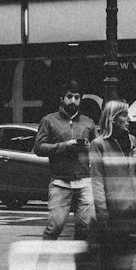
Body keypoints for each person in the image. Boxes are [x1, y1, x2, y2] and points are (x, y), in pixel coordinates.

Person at [33, 81, 97, 240]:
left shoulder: (88, 122)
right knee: (55, 226)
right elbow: (39, 148)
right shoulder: (49, 121)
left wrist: (90, 147)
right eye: (69, 97)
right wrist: (65, 146)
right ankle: (43, 263)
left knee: (86, 227)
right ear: (61, 98)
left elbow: (98, 149)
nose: (73, 101)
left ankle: (78, 263)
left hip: (84, 181)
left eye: (77, 97)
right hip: (60, 182)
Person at [89, 99, 136, 228]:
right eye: (124, 114)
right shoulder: (98, 144)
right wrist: (102, 213)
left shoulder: (132, 140)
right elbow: (97, 182)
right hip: (115, 208)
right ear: (113, 118)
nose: (129, 119)